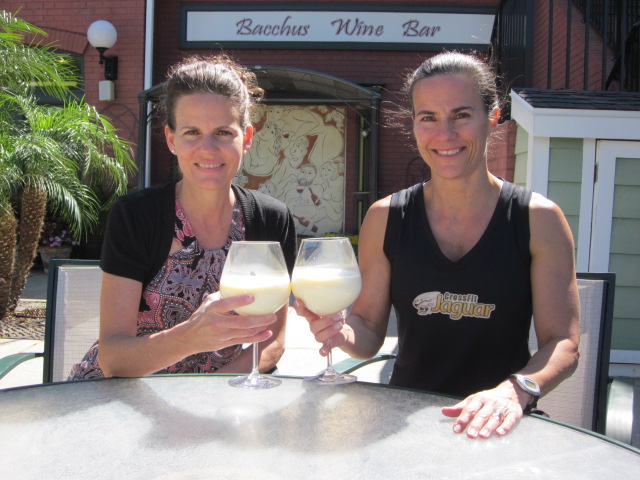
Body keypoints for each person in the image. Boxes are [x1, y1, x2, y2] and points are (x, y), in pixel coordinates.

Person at [293, 52, 580, 439]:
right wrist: (338, 332)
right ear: (413, 125)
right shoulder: (385, 217)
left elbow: (563, 343)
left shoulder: (538, 218)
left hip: (499, 424)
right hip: (403, 423)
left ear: (492, 116)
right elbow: (368, 331)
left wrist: (515, 392)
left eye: (461, 115)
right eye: (428, 117)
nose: (444, 134)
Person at [69, 54, 297, 380]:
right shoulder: (138, 216)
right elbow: (114, 357)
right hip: (122, 398)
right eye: (191, 132)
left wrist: (211, 396)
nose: (207, 148)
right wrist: (191, 336)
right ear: (171, 140)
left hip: (220, 400)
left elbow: (273, 339)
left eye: (223, 132)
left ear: (246, 139)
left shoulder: (271, 220)